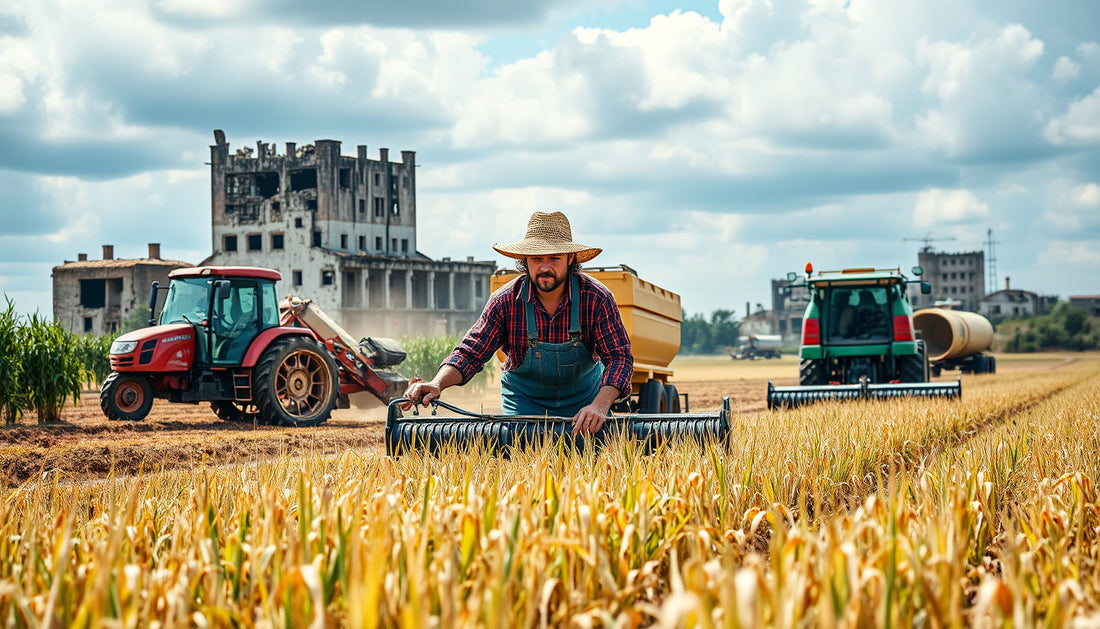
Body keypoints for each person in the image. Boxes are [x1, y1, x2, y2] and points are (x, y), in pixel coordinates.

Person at [404, 211, 634, 435]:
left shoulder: (596, 298)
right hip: (524, 405)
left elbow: (619, 358)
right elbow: (470, 353)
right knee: (522, 455)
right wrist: (437, 383)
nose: (545, 267)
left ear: (570, 259)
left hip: (585, 404)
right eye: (536, 259)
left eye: (554, 258)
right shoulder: (504, 301)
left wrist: (599, 406)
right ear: (525, 261)